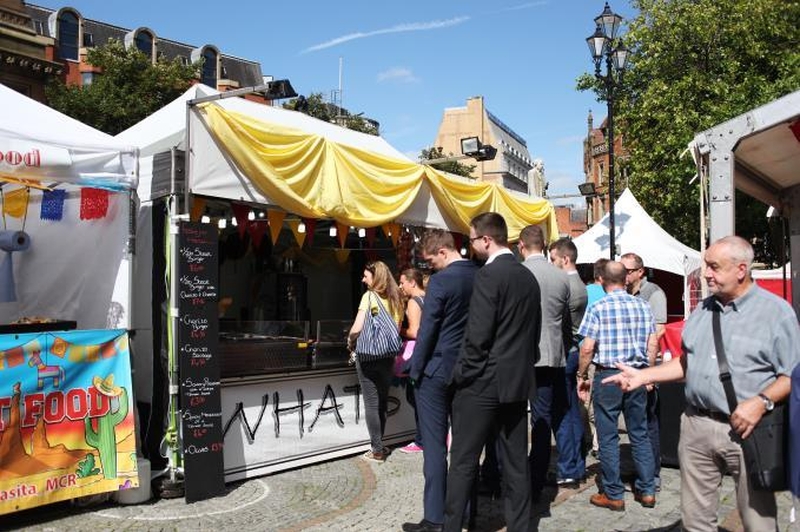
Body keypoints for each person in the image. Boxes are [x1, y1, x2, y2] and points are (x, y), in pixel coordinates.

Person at [603, 236, 800, 531]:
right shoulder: (704, 310)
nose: (706, 273)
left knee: (758, 521)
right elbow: (687, 362)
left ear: (741, 269)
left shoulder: (776, 313)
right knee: (695, 521)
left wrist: (761, 402)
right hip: (696, 426)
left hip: (749, 430)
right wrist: (644, 375)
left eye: (714, 267)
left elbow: (792, 375)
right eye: (706, 265)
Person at [443, 212, 541, 532]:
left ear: (486, 239)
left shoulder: (488, 275)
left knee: (462, 462)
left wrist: (461, 376)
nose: (470, 246)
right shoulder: (527, 277)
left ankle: (452, 527)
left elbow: (478, 336)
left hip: (483, 382)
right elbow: (532, 333)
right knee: (516, 464)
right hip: (517, 381)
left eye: (472, 239)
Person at [402, 230, 477, 532]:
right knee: (465, 448)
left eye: (431, 261)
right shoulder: (479, 274)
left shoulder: (442, 281)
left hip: (436, 370)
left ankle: (434, 517)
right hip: (469, 370)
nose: (430, 267)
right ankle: (465, 513)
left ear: (443, 252)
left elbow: (428, 330)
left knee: (434, 448)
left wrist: (415, 371)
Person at [577, 260, 658, 512]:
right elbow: (652, 343)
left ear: (601, 280)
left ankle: (613, 493)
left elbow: (587, 347)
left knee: (608, 435)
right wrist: (648, 374)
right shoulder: (643, 306)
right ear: (626, 279)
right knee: (639, 432)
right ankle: (647, 489)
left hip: (608, 375)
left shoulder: (598, 307)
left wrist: (582, 374)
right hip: (636, 374)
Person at [517, 224, 571, 501]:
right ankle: (536, 480)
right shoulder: (561, 277)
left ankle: (516, 477)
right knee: (542, 419)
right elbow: (565, 322)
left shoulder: (519, 273)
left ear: (521, 246)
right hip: (552, 355)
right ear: (545, 245)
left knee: (513, 418)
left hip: (521, 356)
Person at [347, 261, 403, 463]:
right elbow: (396, 329)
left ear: (376, 277)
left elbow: (357, 328)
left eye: (366, 276)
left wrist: (350, 340)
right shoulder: (398, 298)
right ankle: (380, 445)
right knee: (382, 401)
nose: (363, 280)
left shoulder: (369, 297)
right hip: (388, 357)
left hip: (368, 357)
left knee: (371, 403)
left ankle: (377, 450)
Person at [621, 252, 668, 491]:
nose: (624, 275)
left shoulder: (654, 294)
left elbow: (658, 333)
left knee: (648, 422)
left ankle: (652, 475)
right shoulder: (624, 293)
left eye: (627, 271)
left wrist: (648, 373)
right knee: (635, 423)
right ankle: (642, 469)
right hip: (628, 368)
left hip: (646, 367)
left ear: (640, 271)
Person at [549, 238, 588, 487]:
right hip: (573, 350)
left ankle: (568, 467)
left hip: (566, 352)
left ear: (565, 259)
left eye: (553, 259)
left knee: (562, 412)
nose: (551, 264)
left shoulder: (568, 285)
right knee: (571, 411)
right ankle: (575, 465)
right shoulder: (579, 284)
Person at [398, 268, 426, 454]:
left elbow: (415, 332)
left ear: (413, 282)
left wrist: (398, 329)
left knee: (414, 397)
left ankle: (421, 440)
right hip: (428, 353)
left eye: (402, 283)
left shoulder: (414, 302)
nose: (400, 286)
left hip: (415, 354)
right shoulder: (428, 297)